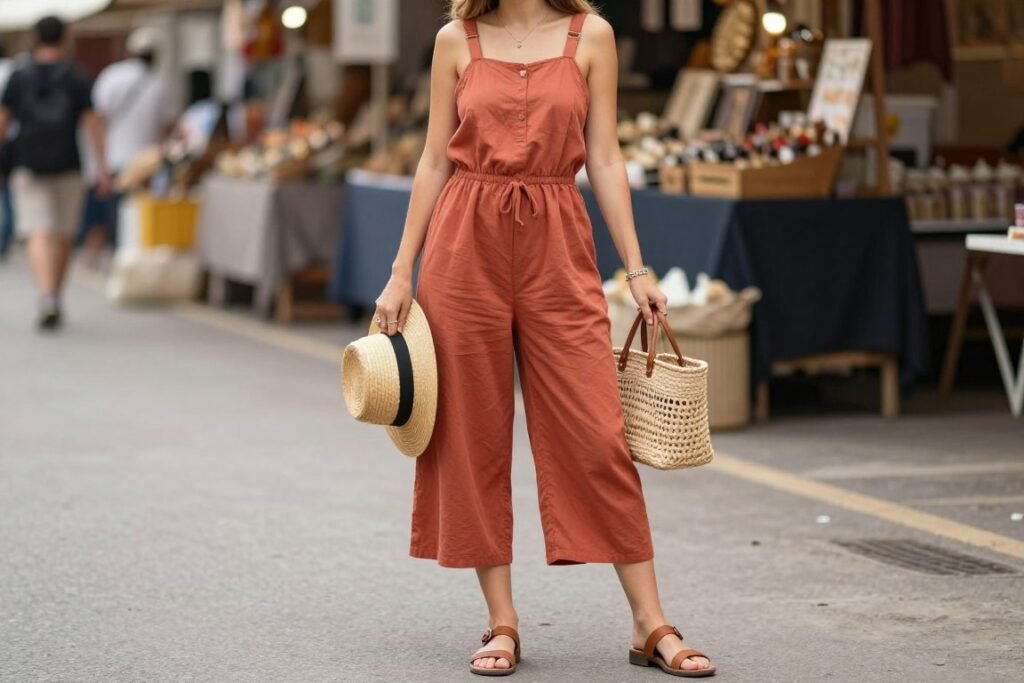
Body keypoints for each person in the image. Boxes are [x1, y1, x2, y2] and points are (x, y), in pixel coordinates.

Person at [372, 0, 715, 677]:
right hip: (463, 244)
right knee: (469, 433)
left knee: (596, 430)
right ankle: (501, 620)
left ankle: (650, 622)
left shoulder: (593, 36)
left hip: (558, 241)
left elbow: (605, 157)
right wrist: (400, 271)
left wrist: (636, 267)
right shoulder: (455, 40)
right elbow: (434, 162)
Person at [0, 16, 110, 329]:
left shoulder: (19, 76)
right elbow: (92, 123)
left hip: (27, 163)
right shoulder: (77, 76)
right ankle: (55, 294)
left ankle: (47, 295)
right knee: (64, 233)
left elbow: (3, 120)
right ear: (65, 38)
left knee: (37, 231)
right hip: (68, 163)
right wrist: (102, 166)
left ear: (35, 38)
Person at [78, 27, 175, 258]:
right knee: (137, 215)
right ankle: (130, 255)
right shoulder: (160, 83)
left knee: (115, 213)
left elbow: (95, 121)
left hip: (115, 157)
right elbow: (169, 126)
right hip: (147, 161)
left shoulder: (112, 76)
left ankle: (117, 255)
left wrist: (99, 160)